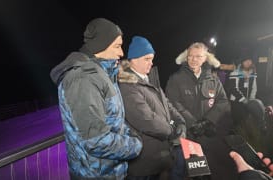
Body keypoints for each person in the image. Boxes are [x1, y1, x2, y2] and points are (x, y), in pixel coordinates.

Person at [50, 18, 142, 180]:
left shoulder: (102, 73)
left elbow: (114, 119)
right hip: (97, 174)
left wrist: (131, 134)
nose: (121, 53)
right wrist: (135, 145)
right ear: (101, 45)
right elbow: (96, 141)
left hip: (113, 171)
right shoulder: (83, 79)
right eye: (117, 46)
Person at [118, 36, 186, 180]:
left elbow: (167, 104)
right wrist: (172, 130)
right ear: (133, 59)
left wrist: (180, 121)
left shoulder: (150, 80)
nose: (151, 62)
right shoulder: (127, 85)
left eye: (152, 58)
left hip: (160, 157)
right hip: (144, 163)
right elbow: (146, 119)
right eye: (147, 59)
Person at [165, 42, 236, 179]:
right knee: (195, 172)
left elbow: (223, 101)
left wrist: (208, 121)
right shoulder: (176, 79)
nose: (194, 59)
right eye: (191, 56)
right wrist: (193, 123)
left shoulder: (213, 79)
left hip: (209, 135)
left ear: (205, 58)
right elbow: (173, 103)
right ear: (186, 57)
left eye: (198, 56)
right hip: (189, 136)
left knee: (211, 172)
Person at [227, 56, 267, 131]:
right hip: (237, 101)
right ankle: (234, 136)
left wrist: (251, 99)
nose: (248, 62)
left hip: (248, 101)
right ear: (242, 62)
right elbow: (233, 89)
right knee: (237, 120)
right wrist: (244, 100)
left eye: (250, 60)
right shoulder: (235, 73)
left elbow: (254, 87)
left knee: (245, 120)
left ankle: (244, 137)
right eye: (246, 61)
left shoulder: (253, 73)